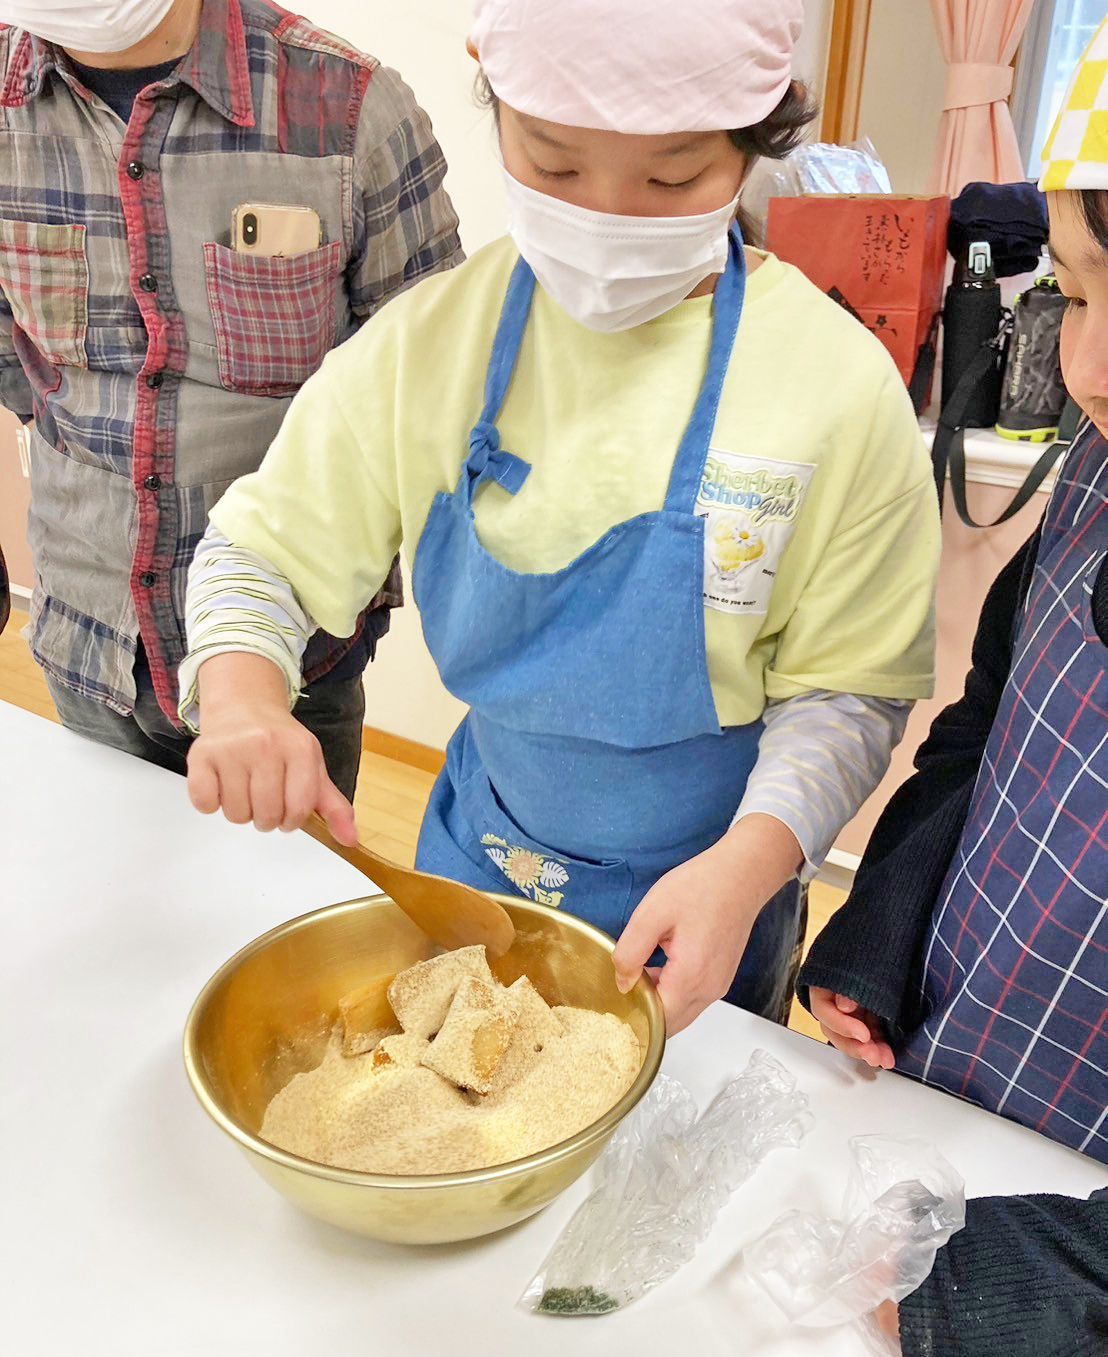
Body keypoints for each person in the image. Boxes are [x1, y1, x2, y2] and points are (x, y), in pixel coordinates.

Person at [179, 0, 940, 1035]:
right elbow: (260, 551)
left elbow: (847, 694)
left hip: (711, 898)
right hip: (474, 869)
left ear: (757, 134)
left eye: (673, 177)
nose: (611, 216)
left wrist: (748, 865)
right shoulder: (434, 344)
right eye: (554, 163)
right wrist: (241, 694)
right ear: (492, 95)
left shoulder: (833, 390)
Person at [798, 18, 1108, 1355]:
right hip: (955, 1091)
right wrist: (890, 921)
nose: (1086, 376)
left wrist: (1033, 1280)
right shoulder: (1093, 470)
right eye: (1084, 293)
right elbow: (990, 725)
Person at [0, 0, 462, 795]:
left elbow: (430, 385)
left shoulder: (350, 106)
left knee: (288, 911)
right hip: (88, 634)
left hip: (296, 658)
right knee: (118, 903)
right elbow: (18, 362)